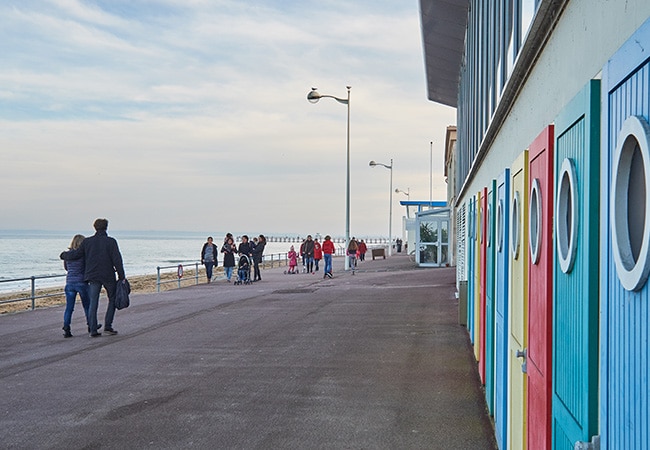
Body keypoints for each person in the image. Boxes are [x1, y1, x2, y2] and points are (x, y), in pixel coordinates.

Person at [60, 218, 125, 337]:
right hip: (108, 275)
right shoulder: (111, 242)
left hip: (93, 276)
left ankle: (93, 329)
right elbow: (117, 260)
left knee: (94, 301)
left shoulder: (88, 242)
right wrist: (122, 276)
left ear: (94, 227)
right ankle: (108, 326)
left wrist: (64, 255)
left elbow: (76, 254)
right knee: (112, 299)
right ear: (106, 227)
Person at [61, 234, 92, 338]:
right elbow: (87, 267)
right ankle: (90, 325)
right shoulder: (84, 255)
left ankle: (66, 327)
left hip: (69, 282)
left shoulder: (68, 255)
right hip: (81, 282)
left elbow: (66, 268)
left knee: (69, 307)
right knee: (87, 305)